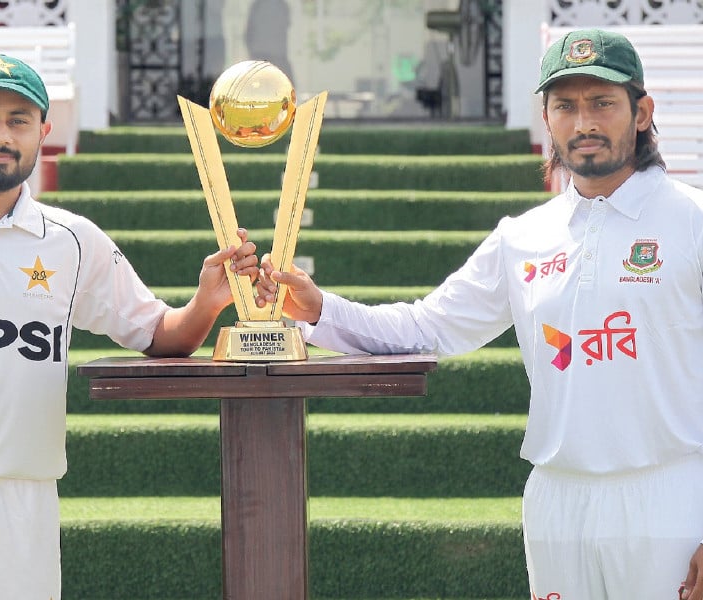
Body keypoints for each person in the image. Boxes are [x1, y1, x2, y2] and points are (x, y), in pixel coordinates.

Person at [256, 29, 703, 600]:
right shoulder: (523, 237)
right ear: (547, 118)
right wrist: (320, 310)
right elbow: (428, 326)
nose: (583, 122)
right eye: (566, 106)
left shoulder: (690, 221)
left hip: (669, 496)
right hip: (557, 499)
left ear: (642, 113)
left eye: (602, 103)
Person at [0, 54, 258, 599]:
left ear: (44, 130)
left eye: (19, 120)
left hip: (24, 502)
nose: (1, 135)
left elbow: (161, 335)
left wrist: (206, 302)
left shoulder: (72, 240)